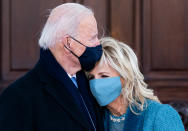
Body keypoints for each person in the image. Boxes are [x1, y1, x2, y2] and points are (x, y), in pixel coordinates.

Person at [0, 3, 104, 131]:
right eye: (92, 38)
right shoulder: (18, 98)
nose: (98, 43)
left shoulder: (92, 81)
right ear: (68, 43)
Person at [88, 37, 185, 131]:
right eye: (91, 77)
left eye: (104, 76)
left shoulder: (160, 115)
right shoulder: (93, 118)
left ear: (126, 77)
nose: (96, 84)